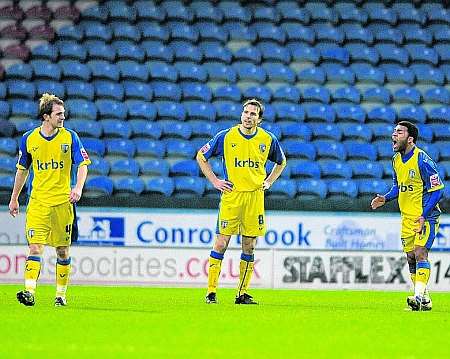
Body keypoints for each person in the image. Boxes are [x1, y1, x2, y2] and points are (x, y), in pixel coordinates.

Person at [196, 99, 286, 304]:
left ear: (259, 119)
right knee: (221, 243)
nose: (248, 116)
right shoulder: (226, 136)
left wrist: (269, 182)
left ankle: (242, 294)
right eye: (246, 112)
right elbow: (201, 156)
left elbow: (282, 162)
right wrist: (215, 181)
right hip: (232, 197)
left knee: (249, 246)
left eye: (253, 114)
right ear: (241, 114)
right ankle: (211, 292)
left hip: (255, 197)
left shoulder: (267, 139)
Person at [8, 93, 91, 307]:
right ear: (46, 116)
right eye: (59, 114)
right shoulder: (29, 139)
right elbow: (22, 170)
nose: (63, 117)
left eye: (63, 114)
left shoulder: (70, 137)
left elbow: (82, 165)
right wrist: (14, 198)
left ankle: (60, 295)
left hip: (63, 203)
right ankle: (29, 292)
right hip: (38, 202)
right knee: (35, 247)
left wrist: (78, 188)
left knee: (62, 251)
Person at [371, 121, 444, 311]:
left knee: (420, 253)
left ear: (410, 139)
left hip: (426, 216)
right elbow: (399, 186)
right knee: (411, 257)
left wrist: (423, 214)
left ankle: (418, 296)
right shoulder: (396, 160)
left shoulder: (423, 160)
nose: (394, 135)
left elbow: (437, 190)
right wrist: (385, 198)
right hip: (407, 218)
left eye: (399, 132)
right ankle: (425, 299)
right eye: (394, 131)